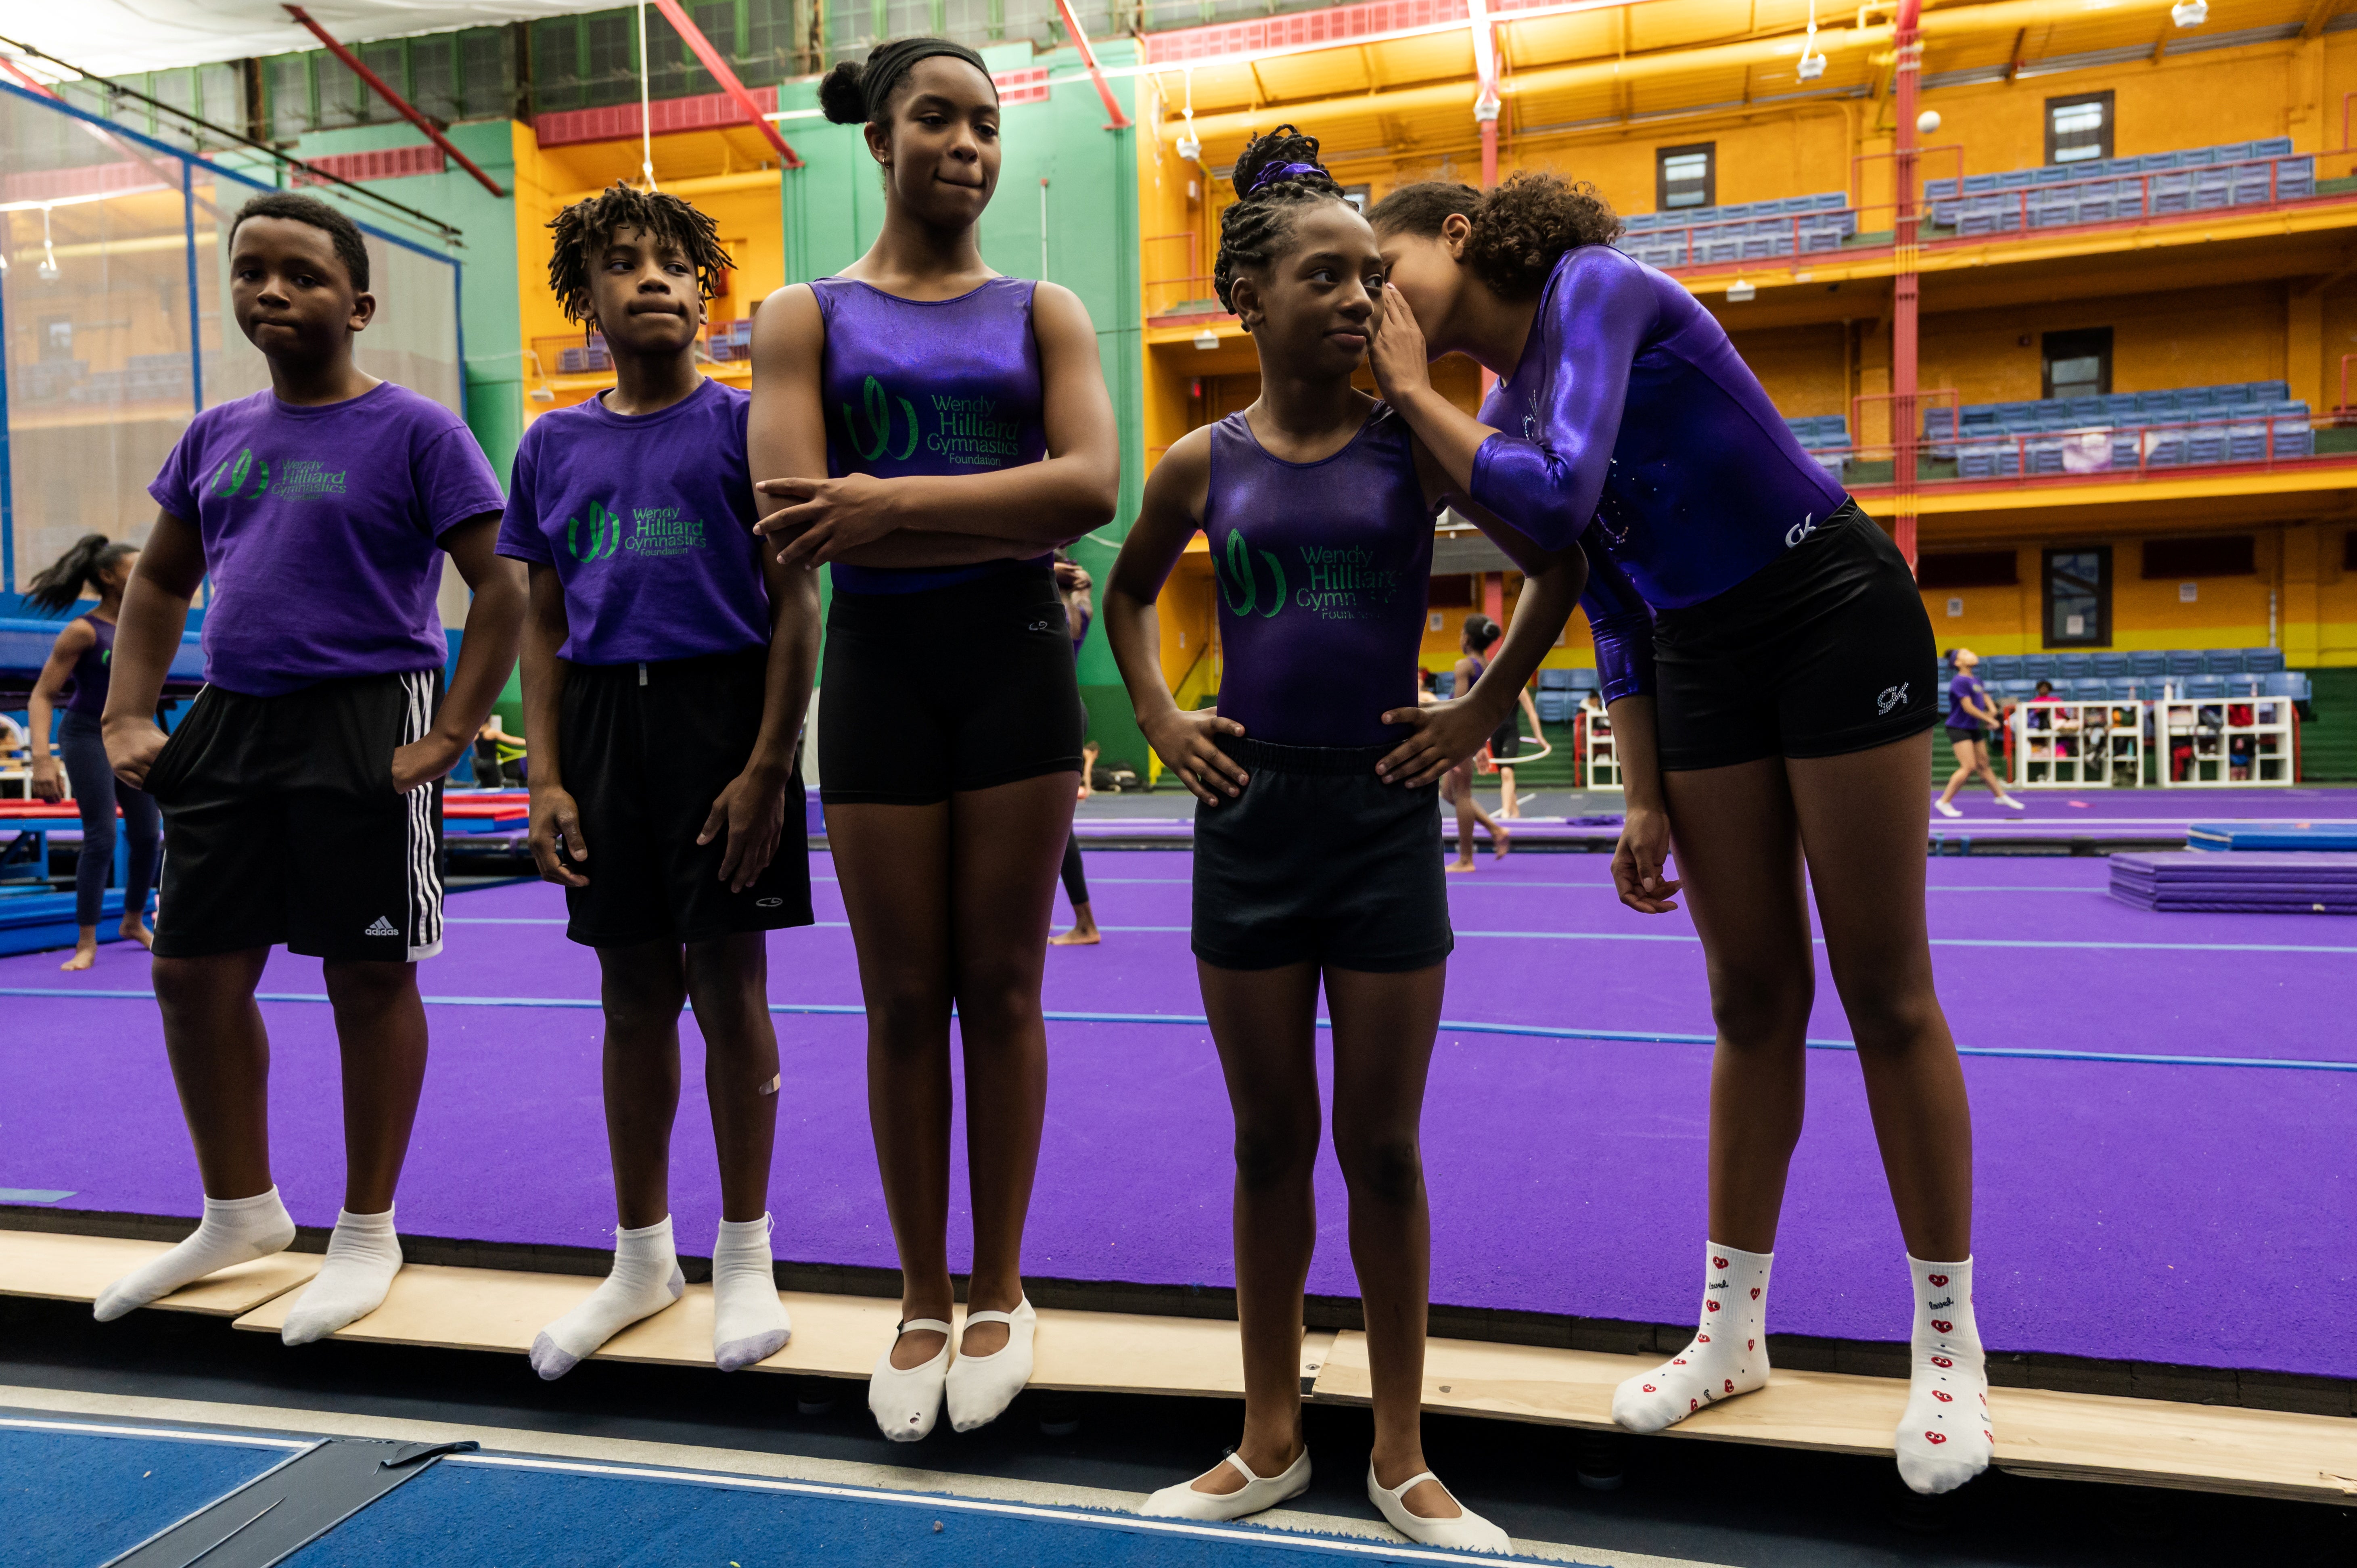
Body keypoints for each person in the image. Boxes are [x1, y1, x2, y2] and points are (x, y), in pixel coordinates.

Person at [1368, 172, 1990, 1495]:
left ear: (1461, 238)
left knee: (1885, 990)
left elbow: (1551, 498)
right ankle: (1733, 1330)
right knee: (1751, 994)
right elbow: (1600, 585)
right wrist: (1641, 784)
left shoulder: (1593, 288)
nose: (1375, 295)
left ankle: (1947, 1349)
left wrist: (1415, 395)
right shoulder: (1492, 404)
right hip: (1699, 650)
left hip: (1828, 605)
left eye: (1387, 262)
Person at [1104, 128, 1584, 1549]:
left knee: (1383, 1145)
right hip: (1250, 816)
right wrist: (1159, 719)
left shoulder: (1415, 448)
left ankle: (1399, 1451)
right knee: (1267, 1141)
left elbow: (1558, 550)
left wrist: (1484, 701)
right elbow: (1128, 595)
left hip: (1379, 816)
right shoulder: (1204, 460)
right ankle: (1266, 1438)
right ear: (1245, 299)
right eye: (1326, 275)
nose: (1361, 298)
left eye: (1374, 276)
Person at [746, 37, 1119, 1442]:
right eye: (936, 122)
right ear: (881, 142)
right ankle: (919, 1290)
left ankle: (1003, 1285)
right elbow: (792, 507)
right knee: (903, 997)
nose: (966, 146)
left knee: (1005, 987)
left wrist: (891, 507)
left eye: (985, 125)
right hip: (887, 668)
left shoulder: (1045, 311)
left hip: (1017, 664)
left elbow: (1087, 486)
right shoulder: (807, 315)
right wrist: (978, 501)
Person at [91, 192, 526, 1344]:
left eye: (301, 275)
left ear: (359, 303)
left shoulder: (418, 431)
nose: (270, 291)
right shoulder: (215, 434)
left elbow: (505, 585)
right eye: (251, 272)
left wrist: (450, 731)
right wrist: (129, 710)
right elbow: (160, 584)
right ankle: (239, 1209)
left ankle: (368, 1226)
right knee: (190, 970)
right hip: (232, 720)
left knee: (366, 976)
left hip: (365, 713)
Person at [503, 185, 818, 1381]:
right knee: (632, 994)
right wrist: (544, 770)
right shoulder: (551, 444)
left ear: (708, 292)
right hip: (600, 720)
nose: (652, 281)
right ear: (582, 301)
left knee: (730, 985)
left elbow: (798, 598)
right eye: (623, 265)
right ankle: (643, 1252)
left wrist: (768, 764)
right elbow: (541, 617)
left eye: (675, 266)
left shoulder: (747, 427)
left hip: (720, 710)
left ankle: (748, 1249)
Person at [23, 534, 162, 969]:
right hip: (86, 734)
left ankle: (133, 921)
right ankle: (86, 942)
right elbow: (43, 695)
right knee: (102, 834)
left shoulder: (143, 626)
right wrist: (42, 758)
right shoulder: (85, 630)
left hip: (131, 731)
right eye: (133, 565)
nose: (143, 570)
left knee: (146, 836)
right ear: (107, 576)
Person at [1050, 554, 1101, 947]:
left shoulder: (1051, 614)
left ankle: (1085, 923)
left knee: (1057, 823)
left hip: (1051, 714)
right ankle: (1082, 921)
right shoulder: (1078, 609)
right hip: (1063, 709)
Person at [1441, 614, 1511, 870]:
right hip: (1474, 733)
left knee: (1461, 795)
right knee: (1449, 793)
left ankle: (1466, 859)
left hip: (1461, 733)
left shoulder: (1464, 666)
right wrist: (1481, 744)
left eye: (1460, 633)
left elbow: (1460, 707)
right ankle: (1496, 830)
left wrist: (1458, 747)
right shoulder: (1487, 665)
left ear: (1467, 639)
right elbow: (1486, 708)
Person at [1934, 649, 2020, 817]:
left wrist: (1993, 709)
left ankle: (2001, 796)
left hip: (1972, 728)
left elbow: (1983, 695)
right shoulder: (1959, 681)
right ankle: (1944, 801)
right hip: (1958, 727)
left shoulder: (1976, 679)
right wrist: (1989, 720)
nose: (1972, 654)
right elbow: (1968, 707)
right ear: (1958, 663)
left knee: (1984, 764)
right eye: (1965, 654)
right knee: (1969, 767)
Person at [1492, 671, 1544, 820]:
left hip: (1511, 735)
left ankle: (1505, 813)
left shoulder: (1518, 688)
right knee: (1506, 778)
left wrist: (1539, 736)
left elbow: (1531, 713)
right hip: (1495, 737)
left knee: (1507, 773)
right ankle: (1516, 814)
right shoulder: (1491, 688)